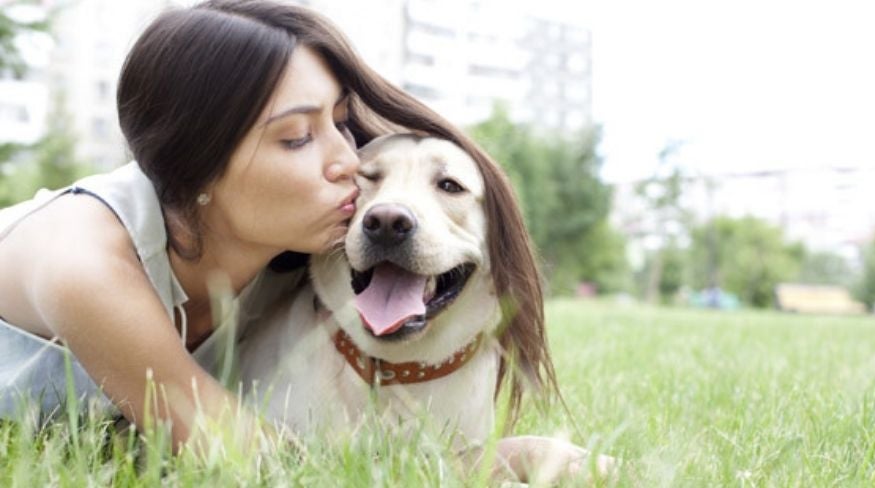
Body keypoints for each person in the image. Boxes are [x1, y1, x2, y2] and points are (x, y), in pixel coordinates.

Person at [0, 0, 525, 451]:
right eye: (297, 136)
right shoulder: (86, 262)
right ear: (197, 165)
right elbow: (246, 459)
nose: (349, 159)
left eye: (340, 121)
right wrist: (499, 461)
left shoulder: (310, 260)